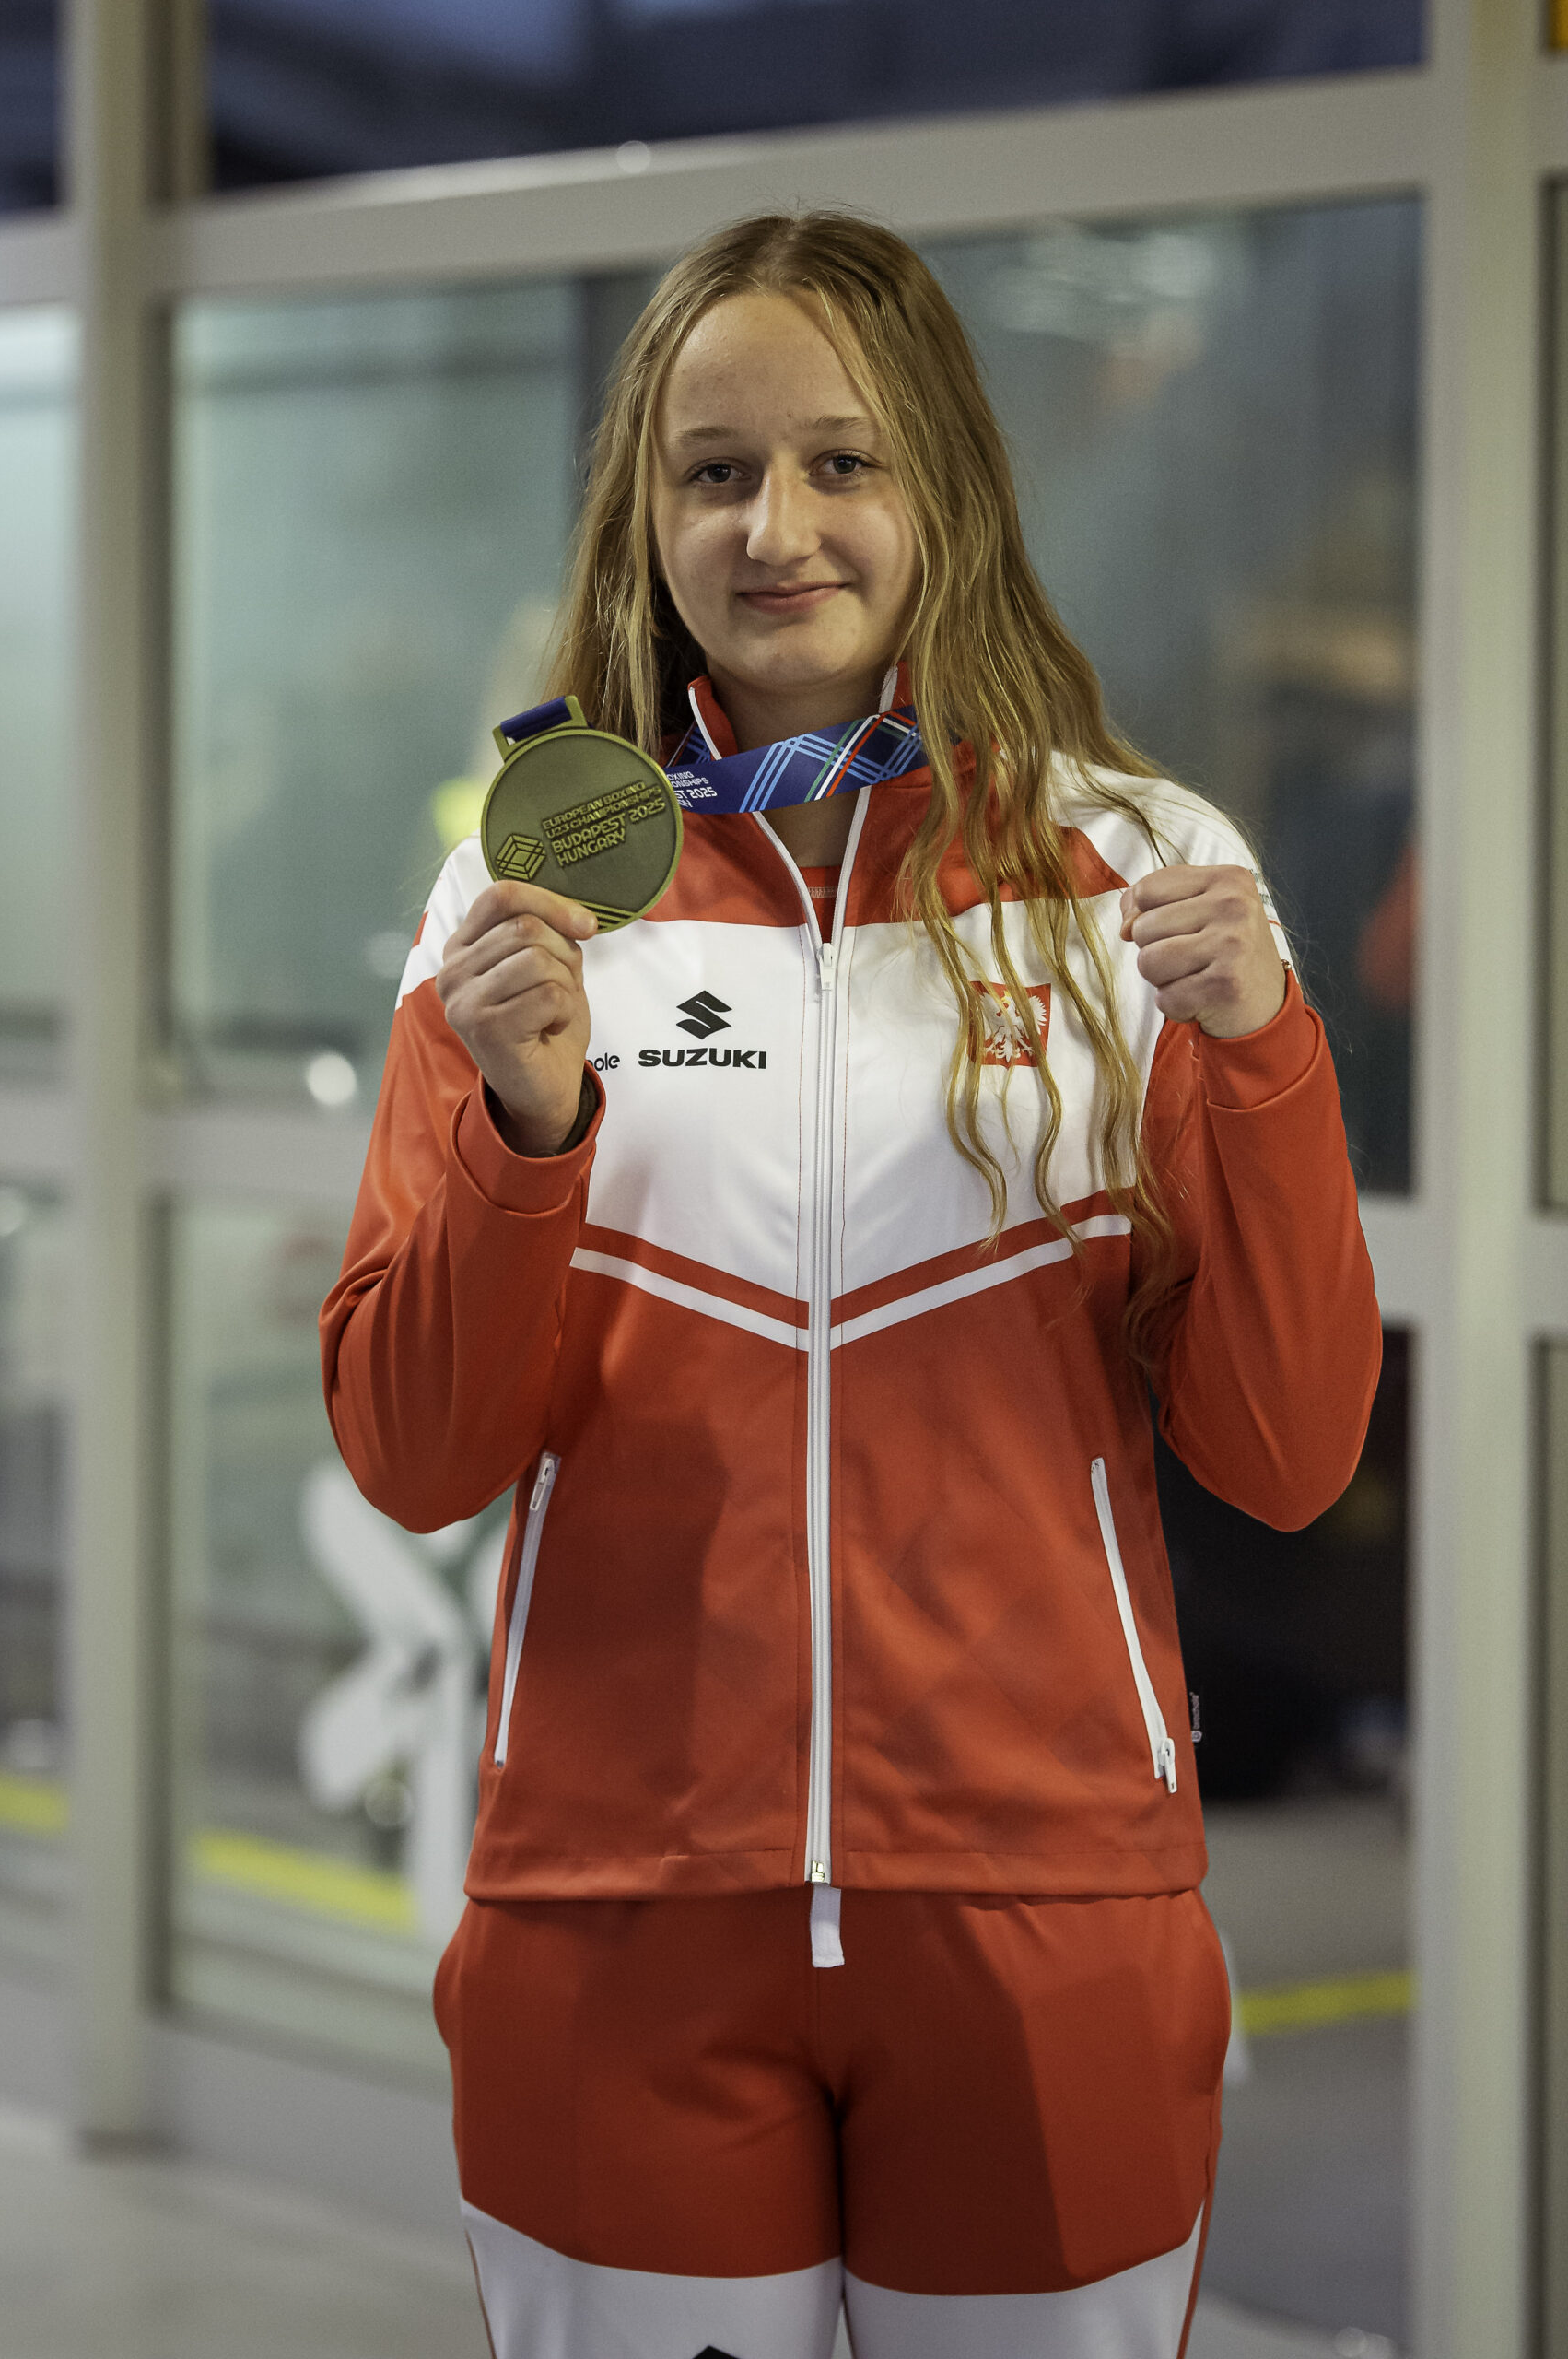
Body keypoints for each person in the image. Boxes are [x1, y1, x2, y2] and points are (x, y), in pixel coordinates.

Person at [322, 211, 1380, 2359]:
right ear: (647, 512)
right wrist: (530, 1129)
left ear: (944, 487)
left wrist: (1266, 1059)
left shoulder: (1143, 870)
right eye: (715, 472)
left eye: (840, 461)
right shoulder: (525, 899)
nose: (776, 528)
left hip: (1043, 1894)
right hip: (617, 1906)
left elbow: (1287, 1452)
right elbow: (416, 1453)